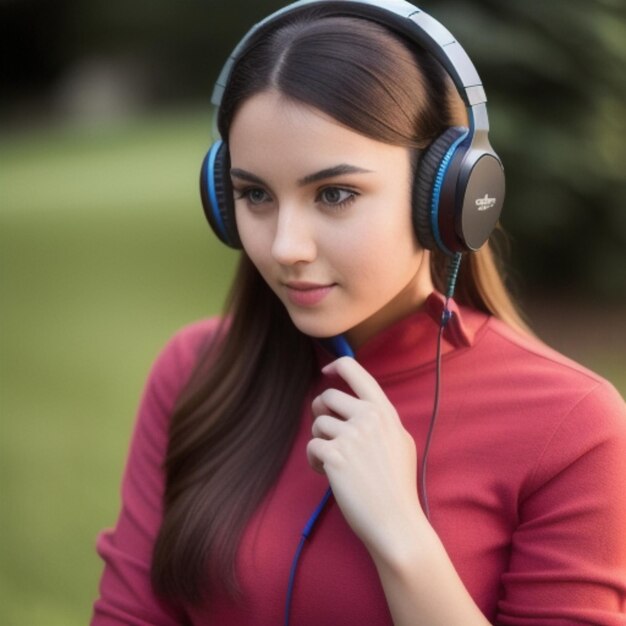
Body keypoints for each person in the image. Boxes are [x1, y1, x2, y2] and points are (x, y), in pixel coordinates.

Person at [91, 1, 626, 624]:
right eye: (254, 194)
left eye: (335, 194)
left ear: (449, 195)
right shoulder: (194, 372)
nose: (286, 246)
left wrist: (403, 539)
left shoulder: (573, 430)